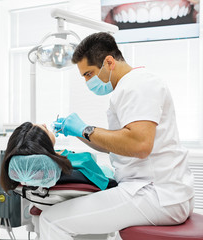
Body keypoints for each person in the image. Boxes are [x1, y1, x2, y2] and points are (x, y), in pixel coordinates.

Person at [39, 32, 194, 240]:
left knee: (51, 220)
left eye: (88, 74)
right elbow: (117, 144)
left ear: (109, 62)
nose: (87, 81)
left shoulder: (138, 85)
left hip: (156, 195)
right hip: (154, 191)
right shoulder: (129, 86)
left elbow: (139, 145)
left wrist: (85, 129)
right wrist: (78, 132)